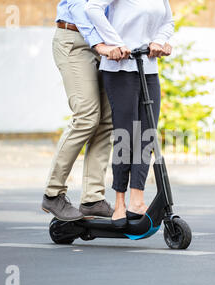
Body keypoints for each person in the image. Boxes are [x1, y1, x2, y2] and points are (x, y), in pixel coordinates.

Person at [86, 0, 174, 228]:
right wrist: (115, 43)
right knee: (126, 135)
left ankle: (137, 199)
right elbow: (92, 8)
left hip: (148, 67)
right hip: (120, 68)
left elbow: (168, 21)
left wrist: (159, 41)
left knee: (147, 135)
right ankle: (119, 203)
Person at [42, 0, 122, 221]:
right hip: (75, 40)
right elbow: (80, 7)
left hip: (105, 43)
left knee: (106, 121)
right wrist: (99, 44)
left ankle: (92, 199)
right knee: (86, 116)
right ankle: (53, 193)